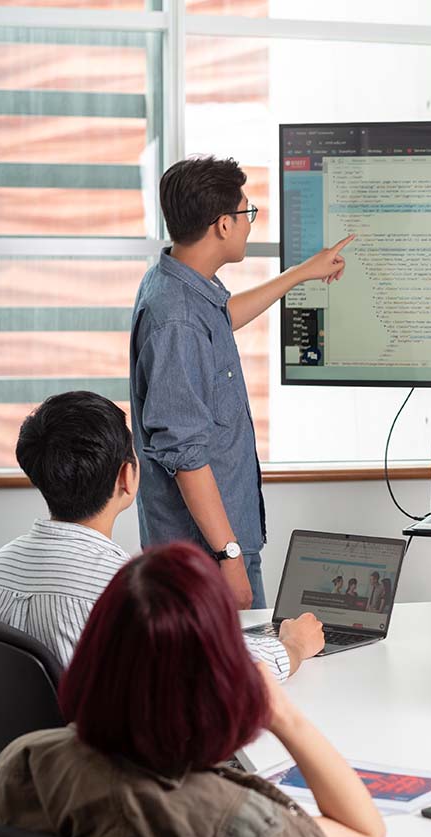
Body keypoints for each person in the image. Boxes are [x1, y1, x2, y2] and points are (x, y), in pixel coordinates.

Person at [0, 543, 385, 837]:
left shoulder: (23, 763)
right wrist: (285, 716)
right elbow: (362, 829)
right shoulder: (244, 829)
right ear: (223, 676)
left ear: (94, 654)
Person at [130, 155, 355, 609]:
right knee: (238, 675)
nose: (251, 224)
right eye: (247, 212)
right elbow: (186, 454)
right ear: (222, 225)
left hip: (209, 546)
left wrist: (300, 273)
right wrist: (229, 556)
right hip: (203, 555)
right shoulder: (177, 320)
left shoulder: (177, 284)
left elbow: (220, 318)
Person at [0, 391, 324, 678]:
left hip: (34, 753)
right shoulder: (126, 588)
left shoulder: (0, 566)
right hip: (113, 756)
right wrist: (292, 645)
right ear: (127, 476)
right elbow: (230, 669)